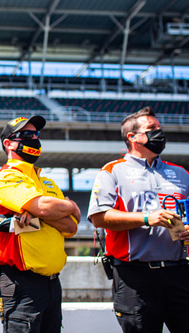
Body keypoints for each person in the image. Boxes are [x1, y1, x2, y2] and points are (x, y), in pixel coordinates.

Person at [88, 106, 189, 333]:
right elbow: (98, 217)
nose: (160, 134)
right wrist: (146, 218)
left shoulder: (182, 173)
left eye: (160, 128)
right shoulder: (112, 171)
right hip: (135, 277)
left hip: (180, 272)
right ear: (132, 137)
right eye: (152, 129)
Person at [0, 115, 80, 333]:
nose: (34, 139)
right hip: (20, 283)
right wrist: (69, 207)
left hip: (52, 284)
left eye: (36, 135)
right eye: (27, 135)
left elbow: (71, 227)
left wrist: (44, 212)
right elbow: (46, 208)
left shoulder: (47, 182)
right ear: (8, 143)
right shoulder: (5, 177)